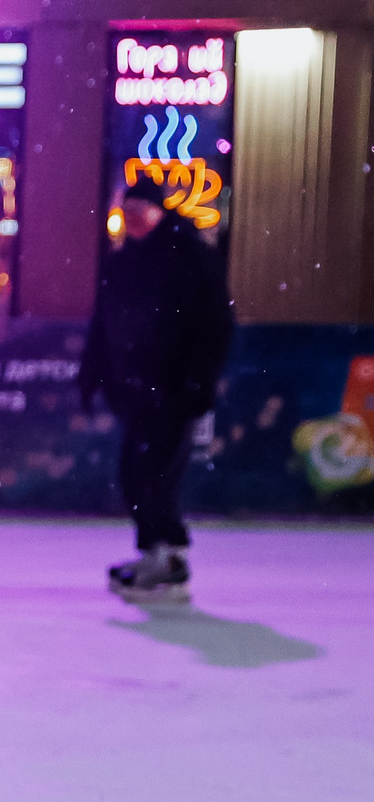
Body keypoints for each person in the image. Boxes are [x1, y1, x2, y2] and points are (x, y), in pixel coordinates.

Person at [84, 177, 235, 602]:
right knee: (135, 473)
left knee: (156, 474)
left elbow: (215, 326)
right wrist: (93, 372)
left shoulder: (189, 256)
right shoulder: (121, 262)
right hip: (136, 391)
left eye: (139, 213)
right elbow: (104, 322)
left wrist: (197, 380)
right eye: (126, 214)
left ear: (158, 212)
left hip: (174, 391)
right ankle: (157, 552)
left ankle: (167, 557)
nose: (132, 222)